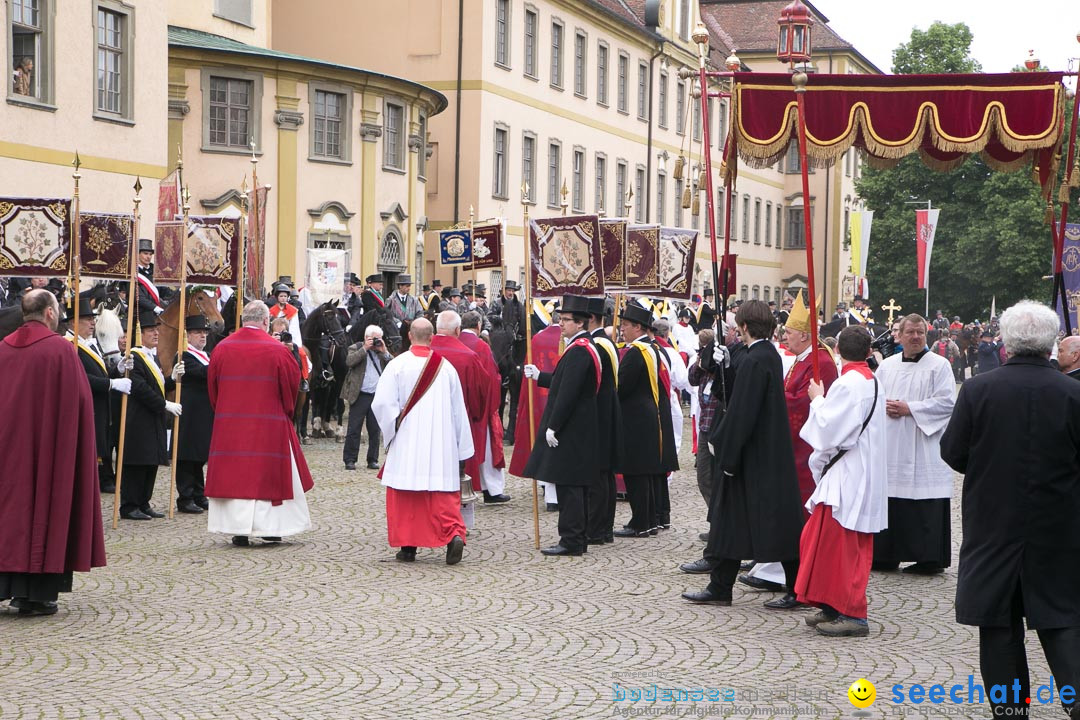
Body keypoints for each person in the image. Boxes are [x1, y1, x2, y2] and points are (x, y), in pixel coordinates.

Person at [940, 301, 1080, 719]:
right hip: (1060, 525)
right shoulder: (1073, 393)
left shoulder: (980, 390)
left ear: (1006, 342)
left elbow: (953, 452)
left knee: (999, 625)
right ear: (1052, 344)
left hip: (993, 521)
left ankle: (1010, 712)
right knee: (1063, 621)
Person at [682, 300, 802, 608]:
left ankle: (797, 589)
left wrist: (723, 446)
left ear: (745, 327)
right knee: (731, 523)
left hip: (752, 456)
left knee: (768, 524)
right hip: (760, 453)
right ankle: (720, 585)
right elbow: (737, 394)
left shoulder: (754, 359)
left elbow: (742, 411)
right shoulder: (763, 355)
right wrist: (725, 369)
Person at [0, 290, 106, 615]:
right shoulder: (60, 350)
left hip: (7, 452)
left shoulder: (2, 350)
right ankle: (35, 595)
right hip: (47, 452)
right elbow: (81, 403)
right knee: (42, 512)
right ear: (49, 313)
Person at [739, 293, 838, 599]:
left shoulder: (821, 363)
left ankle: (793, 574)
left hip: (805, 450)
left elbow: (807, 404)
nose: (785, 337)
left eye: (790, 333)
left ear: (806, 335)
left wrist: (773, 402)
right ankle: (773, 568)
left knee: (796, 511)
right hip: (791, 447)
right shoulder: (801, 360)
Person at [795, 326, 888, 637]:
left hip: (849, 475)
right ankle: (831, 605)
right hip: (858, 470)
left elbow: (827, 431)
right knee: (824, 542)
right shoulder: (872, 380)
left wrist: (817, 399)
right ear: (867, 351)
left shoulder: (848, 384)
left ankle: (854, 615)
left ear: (837, 351)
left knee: (845, 549)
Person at [205, 301, 313, 546]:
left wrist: (224, 412)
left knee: (235, 474)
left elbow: (213, 390)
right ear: (266, 322)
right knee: (267, 475)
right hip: (269, 422)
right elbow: (291, 388)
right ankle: (270, 528)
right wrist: (286, 412)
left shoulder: (222, 348)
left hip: (230, 424)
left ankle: (237, 529)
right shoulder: (277, 350)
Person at [373, 318, 471, 564]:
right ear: (431, 338)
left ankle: (408, 547)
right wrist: (462, 449)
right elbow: (459, 411)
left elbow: (383, 404)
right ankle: (453, 536)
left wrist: (391, 431)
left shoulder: (397, 366)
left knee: (405, 494)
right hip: (441, 443)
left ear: (409, 336)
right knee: (442, 494)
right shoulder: (446, 368)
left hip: (407, 440)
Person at [873, 314, 955, 574]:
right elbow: (874, 398)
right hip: (892, 441)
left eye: (920, 332)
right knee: (891, 498)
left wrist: (911, 408)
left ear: (926, 334)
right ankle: (886, 555)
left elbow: (947, 403)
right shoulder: (887, 366)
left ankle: (928, 558)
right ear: (900, 335)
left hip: (923, 442)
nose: (916, 337)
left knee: (923, 498)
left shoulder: (939, 365)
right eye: (910, 332)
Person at [522, 295, 602, 556]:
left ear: (580, 323)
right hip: (578, 424)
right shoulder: (579, 346)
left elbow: (568, 391)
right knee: (571, 484)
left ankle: (572, 539)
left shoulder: (580, 350)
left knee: (570, 484)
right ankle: (574, 537)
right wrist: (540, 376)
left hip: (572, 426)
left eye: (566, 320)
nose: (561, 323)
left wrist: (553, 425)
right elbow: (561, 381)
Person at [614, 303, 673, 538]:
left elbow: (622, 385)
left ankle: (641, 522)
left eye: (626, 325)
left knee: (636, 473)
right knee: (647, 474)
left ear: (638, 327)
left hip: (636, 418)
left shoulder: (636, 353)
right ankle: (649, 520)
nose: (622, 330)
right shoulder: (653, 348)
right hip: (650, 414)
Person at [119, 311, 184, 520]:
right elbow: (140, 388)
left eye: (156, 330)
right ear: (140, 334)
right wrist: (164, 404)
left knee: (150, 461)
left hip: (152, 415)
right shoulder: (134, 357)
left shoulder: (152, 356)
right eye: (150, 331)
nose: (156, 334)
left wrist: (172, 378)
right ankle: (130, 504)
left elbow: (158, 386)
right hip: (138, 417)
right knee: (137, 461)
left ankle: (144, 501)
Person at [431, 310, 491, 528]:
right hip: (457, 427)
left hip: (423, 429)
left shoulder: (419, 353)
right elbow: (479, 397)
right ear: (457, 330)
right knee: (458, 473)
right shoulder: (468, 357)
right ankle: (459, 524)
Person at [66, 297, 131, 493]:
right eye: (87, 319)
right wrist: (111, 383)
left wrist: (116, 370)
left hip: (100, 404)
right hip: (85, 403)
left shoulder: (90, 344)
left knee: (101, 443)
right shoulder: (69, 345)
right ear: (73, 322)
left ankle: (102, 477)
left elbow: (99, 372)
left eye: (92, 319)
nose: (92, 322)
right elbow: (81, 377)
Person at [458, 311, 510, 503]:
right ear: (478, 325)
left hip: (460, 406)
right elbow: (489, 377)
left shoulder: (456, 342)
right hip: (480, 406)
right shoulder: (481, 346)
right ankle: (492, 490)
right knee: (488, 450)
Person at [585, 297, 622, 545]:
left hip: (598, 414)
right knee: (605, 474)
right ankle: (605, 527)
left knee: (598, 475)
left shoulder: (596, 344)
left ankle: (596, 529)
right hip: (610, 411)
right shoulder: (608, 343)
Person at [173, 315, 214, 514]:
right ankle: (185, 496)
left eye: (205, 332)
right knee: (187, 455)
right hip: (189, 412)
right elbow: (201, 373)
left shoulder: (207, 355)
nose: (203, 336)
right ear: (187, 335)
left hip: (204, 412)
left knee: (198, 456)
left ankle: (199, 493)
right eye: (198, 332)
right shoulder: (184, 356)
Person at [341, 325, 392, 471]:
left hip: (377, 395)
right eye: (373, 338)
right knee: (354, 428)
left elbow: (393, 365)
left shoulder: (381, 351)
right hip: (360, 394)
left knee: (375, 430)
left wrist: (385, 351)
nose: (376, 341)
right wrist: (365, 348)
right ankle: (350, 459)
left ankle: (373, 459)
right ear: (366, 337)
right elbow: (349, 361)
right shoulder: (355, 347)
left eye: (378, 338)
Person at [490, 280, 526, 442]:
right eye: (508, 289)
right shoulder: (497, 303)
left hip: (515, 338)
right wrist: (499, 319)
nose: (510, 292)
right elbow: (489, 317)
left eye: (512, 290)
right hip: (499, 336)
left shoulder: (519, 305)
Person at [133, 238, 164, 322]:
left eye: (150, 254)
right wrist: (154, 307)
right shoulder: (133, 272)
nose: (148, 257)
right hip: (139, 314)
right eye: (145, 253)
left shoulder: (155, 270)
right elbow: (138, 297)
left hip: (157, 314)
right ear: (137, 254)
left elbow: (163, 290)